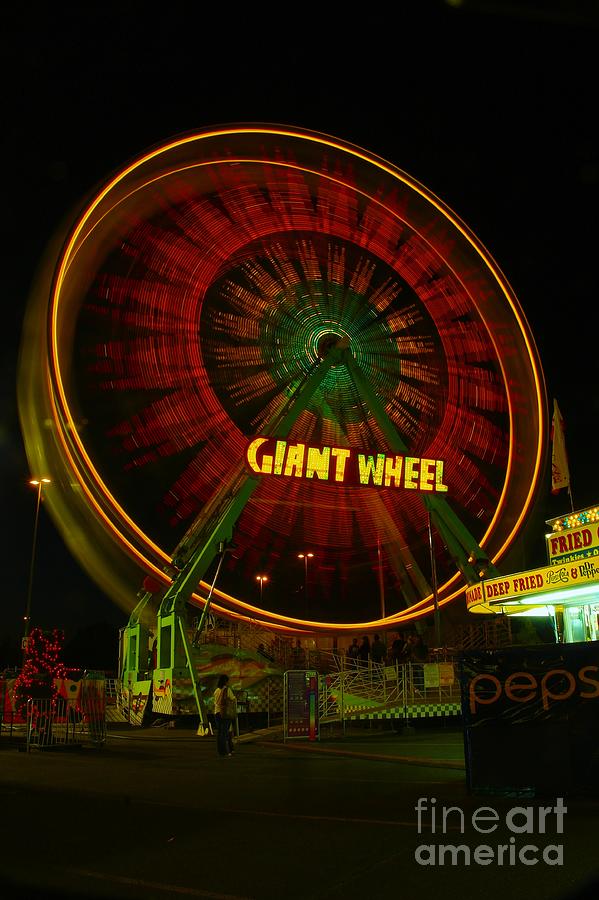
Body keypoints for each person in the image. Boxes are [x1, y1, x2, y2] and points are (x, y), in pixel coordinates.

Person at [213, 674, 237, 757]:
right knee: (224, 733)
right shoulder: (227, 690)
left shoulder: (216, 691)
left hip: (216, 713)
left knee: (220, 733)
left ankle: (221, 751)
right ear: (226, 681)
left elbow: (215, 702)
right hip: (225, 713)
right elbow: (233, 699)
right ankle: (225, 752)